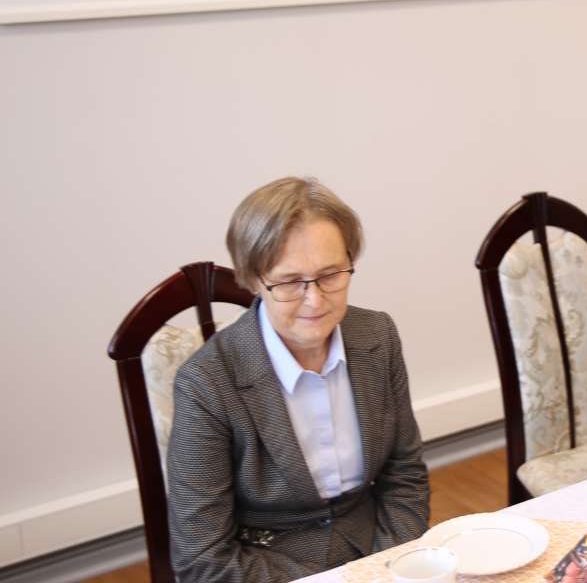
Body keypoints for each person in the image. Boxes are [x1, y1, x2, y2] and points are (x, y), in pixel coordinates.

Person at [167, 177, 430, 582]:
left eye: (331, 274)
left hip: (377, 551)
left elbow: (404, 475)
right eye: (290, 281)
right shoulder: (206, 384)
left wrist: (386, 567)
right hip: (270, 566)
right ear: (254, 280)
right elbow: (202, 557)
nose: (315, 299)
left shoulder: (378, 337)